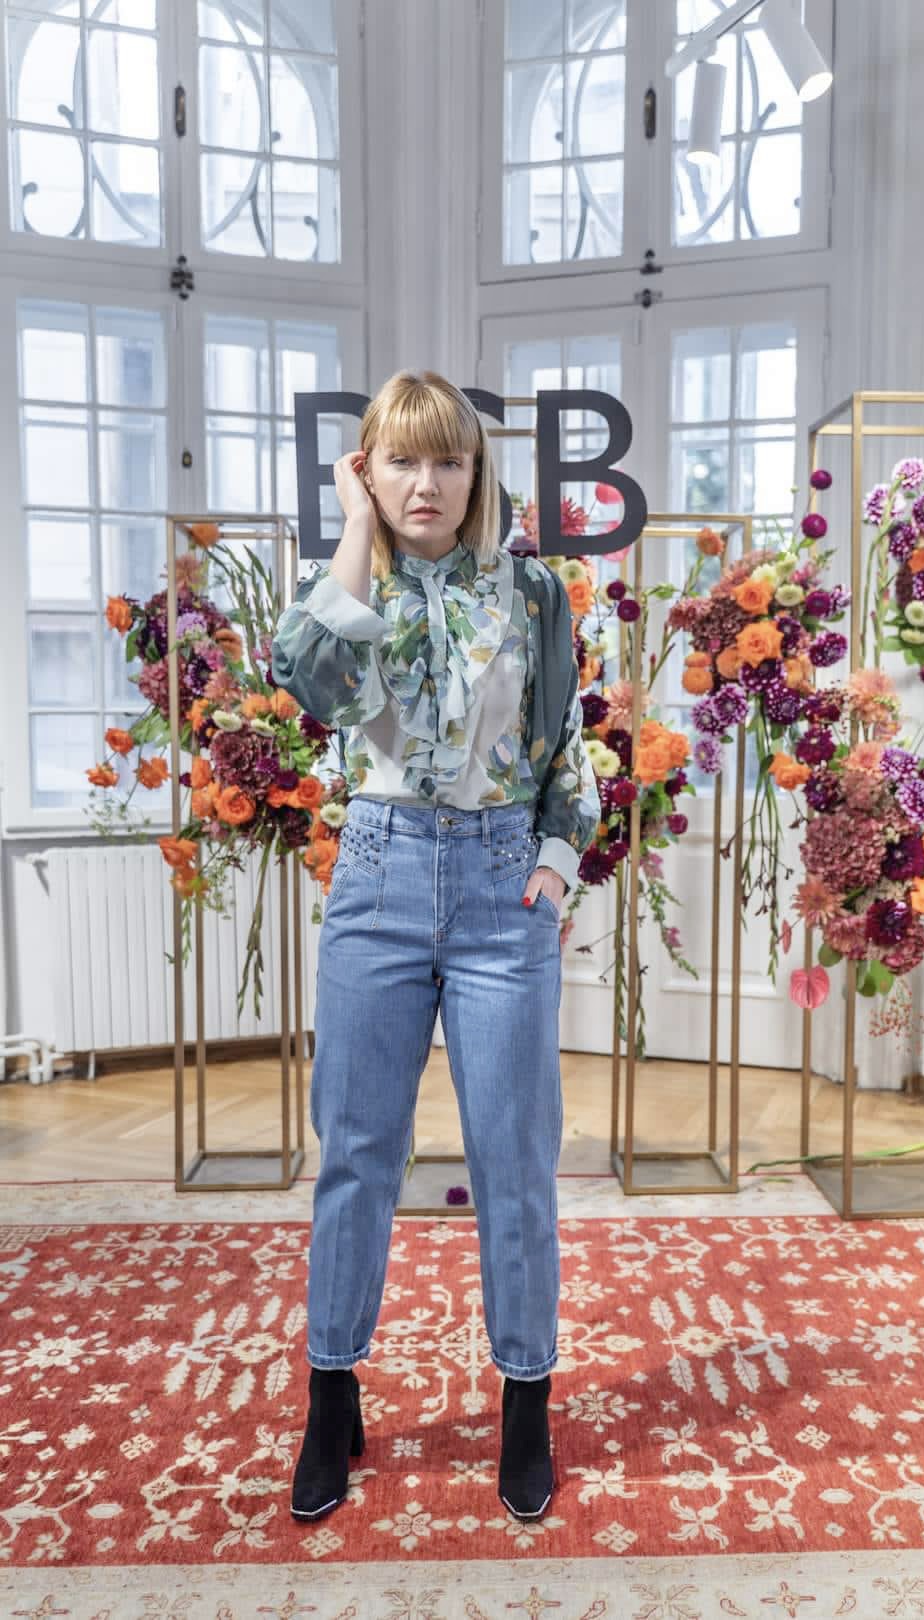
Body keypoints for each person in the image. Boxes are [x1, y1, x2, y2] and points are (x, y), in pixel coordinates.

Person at [269, 369, 600, 1527]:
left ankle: (525, 1402)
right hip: (381, 875)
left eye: (448, 460)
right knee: (358, 1149)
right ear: (368, 472)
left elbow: (567, 744)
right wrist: (355, 530)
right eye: (401, 461)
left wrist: (553, 861)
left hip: (505, 889)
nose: (428, 482)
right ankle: (332, 1397)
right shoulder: (347, 584)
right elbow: (311, 680)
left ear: (476, 471)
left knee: (514, 1155)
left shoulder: (535, 592)